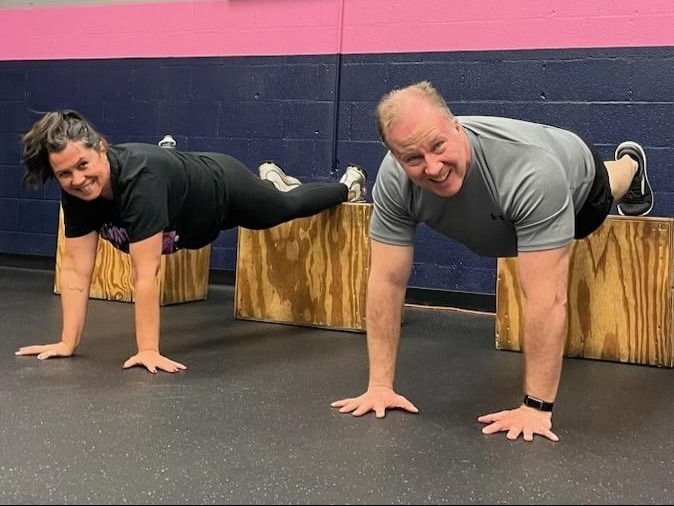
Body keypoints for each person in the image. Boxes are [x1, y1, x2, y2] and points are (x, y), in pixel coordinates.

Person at [331, 80, 654, 442]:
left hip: (573, 183)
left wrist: (536, 408)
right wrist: (379, 385)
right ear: (395, 155)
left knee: (609, 186)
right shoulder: (395, 180)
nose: (434, 167)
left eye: (438, 146)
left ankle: (630, 164)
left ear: (457, 127)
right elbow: (386, 281)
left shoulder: (531, 173)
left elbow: (547, 299)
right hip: (512, 205)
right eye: (413, 158)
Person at [15, 109, 367, 373]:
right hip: (189, 213)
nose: (78, 179)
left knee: (283, 209)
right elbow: (76, 270)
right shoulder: (77, 194)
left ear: (102, 149)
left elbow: (147, 273)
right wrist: (67, 343)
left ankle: (345, 186)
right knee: (277, 202)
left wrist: (148, 349)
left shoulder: (140, 178)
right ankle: (272, 181)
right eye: (64, 174)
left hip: (223, 189)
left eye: (83, 164)